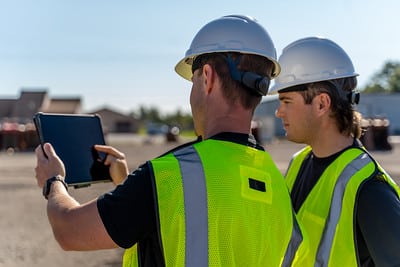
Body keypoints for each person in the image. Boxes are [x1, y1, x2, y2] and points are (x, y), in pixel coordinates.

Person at [35, 15, 307, 266]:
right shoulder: (277, 185)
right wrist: (125, 183)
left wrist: (54, 182)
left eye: (193, 80)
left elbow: (69, 230)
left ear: (208, 78)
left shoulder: (169, 175)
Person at [270, 36, 400, 266]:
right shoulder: (299, 163)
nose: (279, 112)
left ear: (322, 103)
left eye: (286, 101)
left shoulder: (370, 190)